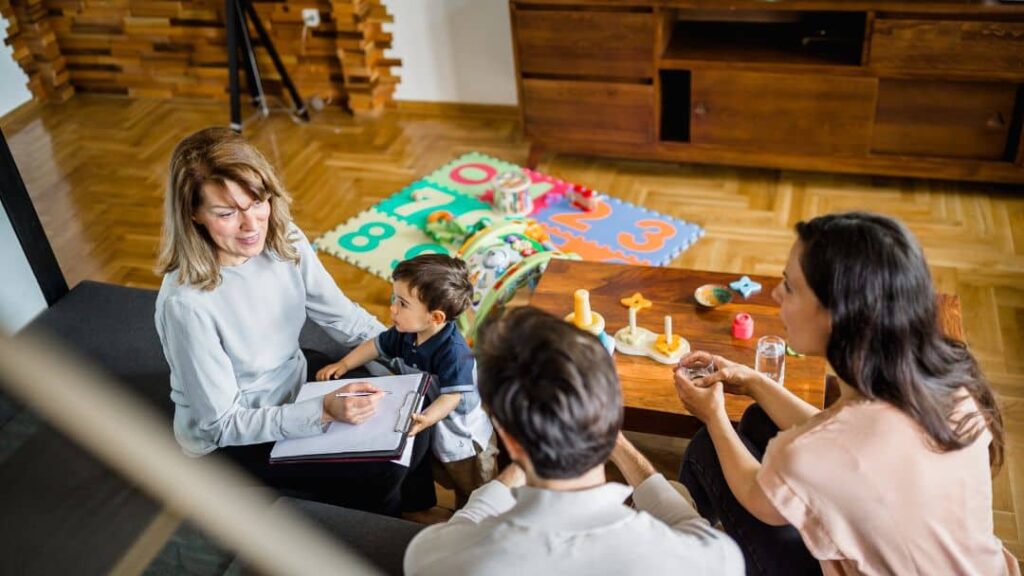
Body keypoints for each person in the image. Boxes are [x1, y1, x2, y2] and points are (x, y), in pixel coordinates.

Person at [674, 212, 1017, 575]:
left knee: (708, 448)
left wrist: (713, 417)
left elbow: (758, 498)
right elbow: (836, 438)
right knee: (760, 418)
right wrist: (754, 382)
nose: (776, 293)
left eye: (789, 286)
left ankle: (682, 552)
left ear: (836, 316)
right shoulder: (947, 378)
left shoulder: (824, 450)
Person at [154, 126, 434, 516]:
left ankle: (417, 514)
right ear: (194, 215)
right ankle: (382, 539)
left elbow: (345, 318)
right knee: (381, 469)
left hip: (296, 379)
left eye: (257, 202)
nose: (252, 225)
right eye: (227, 213)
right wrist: (321, 412)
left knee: (420, 403)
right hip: (237, 436)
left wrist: (413, 351)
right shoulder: (186, 305)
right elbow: (221, 425)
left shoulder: (284, 240)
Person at [404, 306, 744, 576]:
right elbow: (691, 525)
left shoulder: (437, 557)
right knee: (677, 493)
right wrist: (619, 443)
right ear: (610, 414)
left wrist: (522, 459)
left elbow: (464, 523)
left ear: (509, 436)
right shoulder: (712, 559)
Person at [316, 253, 497, 507]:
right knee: (441, 473)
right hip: (432, 426)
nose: (392, 309)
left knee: (472, 488)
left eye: (402, 303)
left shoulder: (453, 353)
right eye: (394, 299)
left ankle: (470, 517)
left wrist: (428, 417)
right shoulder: (406, 332)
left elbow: (451, 396)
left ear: (435, 318)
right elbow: (376, 346)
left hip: (463, 437)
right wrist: (344, 363)